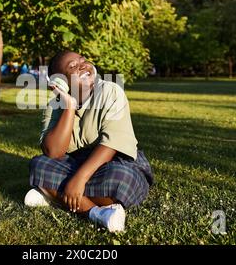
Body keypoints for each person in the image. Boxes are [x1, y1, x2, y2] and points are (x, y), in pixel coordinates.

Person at [24, 51, 153, 232]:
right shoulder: (55, 106)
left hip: (115, 160)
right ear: (60, 82)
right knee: (39, 164)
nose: (82, 65)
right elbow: (53, 152)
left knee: (122, 179)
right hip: (76, 163)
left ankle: (53, 195)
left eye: (83, 61)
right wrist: (68, 106)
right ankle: (96, 213)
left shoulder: (110, 91)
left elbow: (112, 144)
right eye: (72, 66)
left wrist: (79, 179)